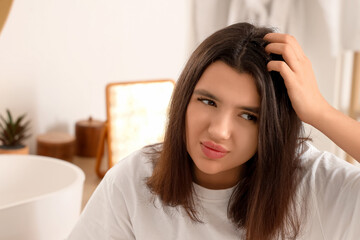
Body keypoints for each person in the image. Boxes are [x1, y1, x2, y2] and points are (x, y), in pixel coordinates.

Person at [67, 22, 360, 240]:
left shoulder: (315, 186)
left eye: (249, 116)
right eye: (208, 101)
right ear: (184, 98)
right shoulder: (134, 181)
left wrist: (320, 111)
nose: (219, 131)